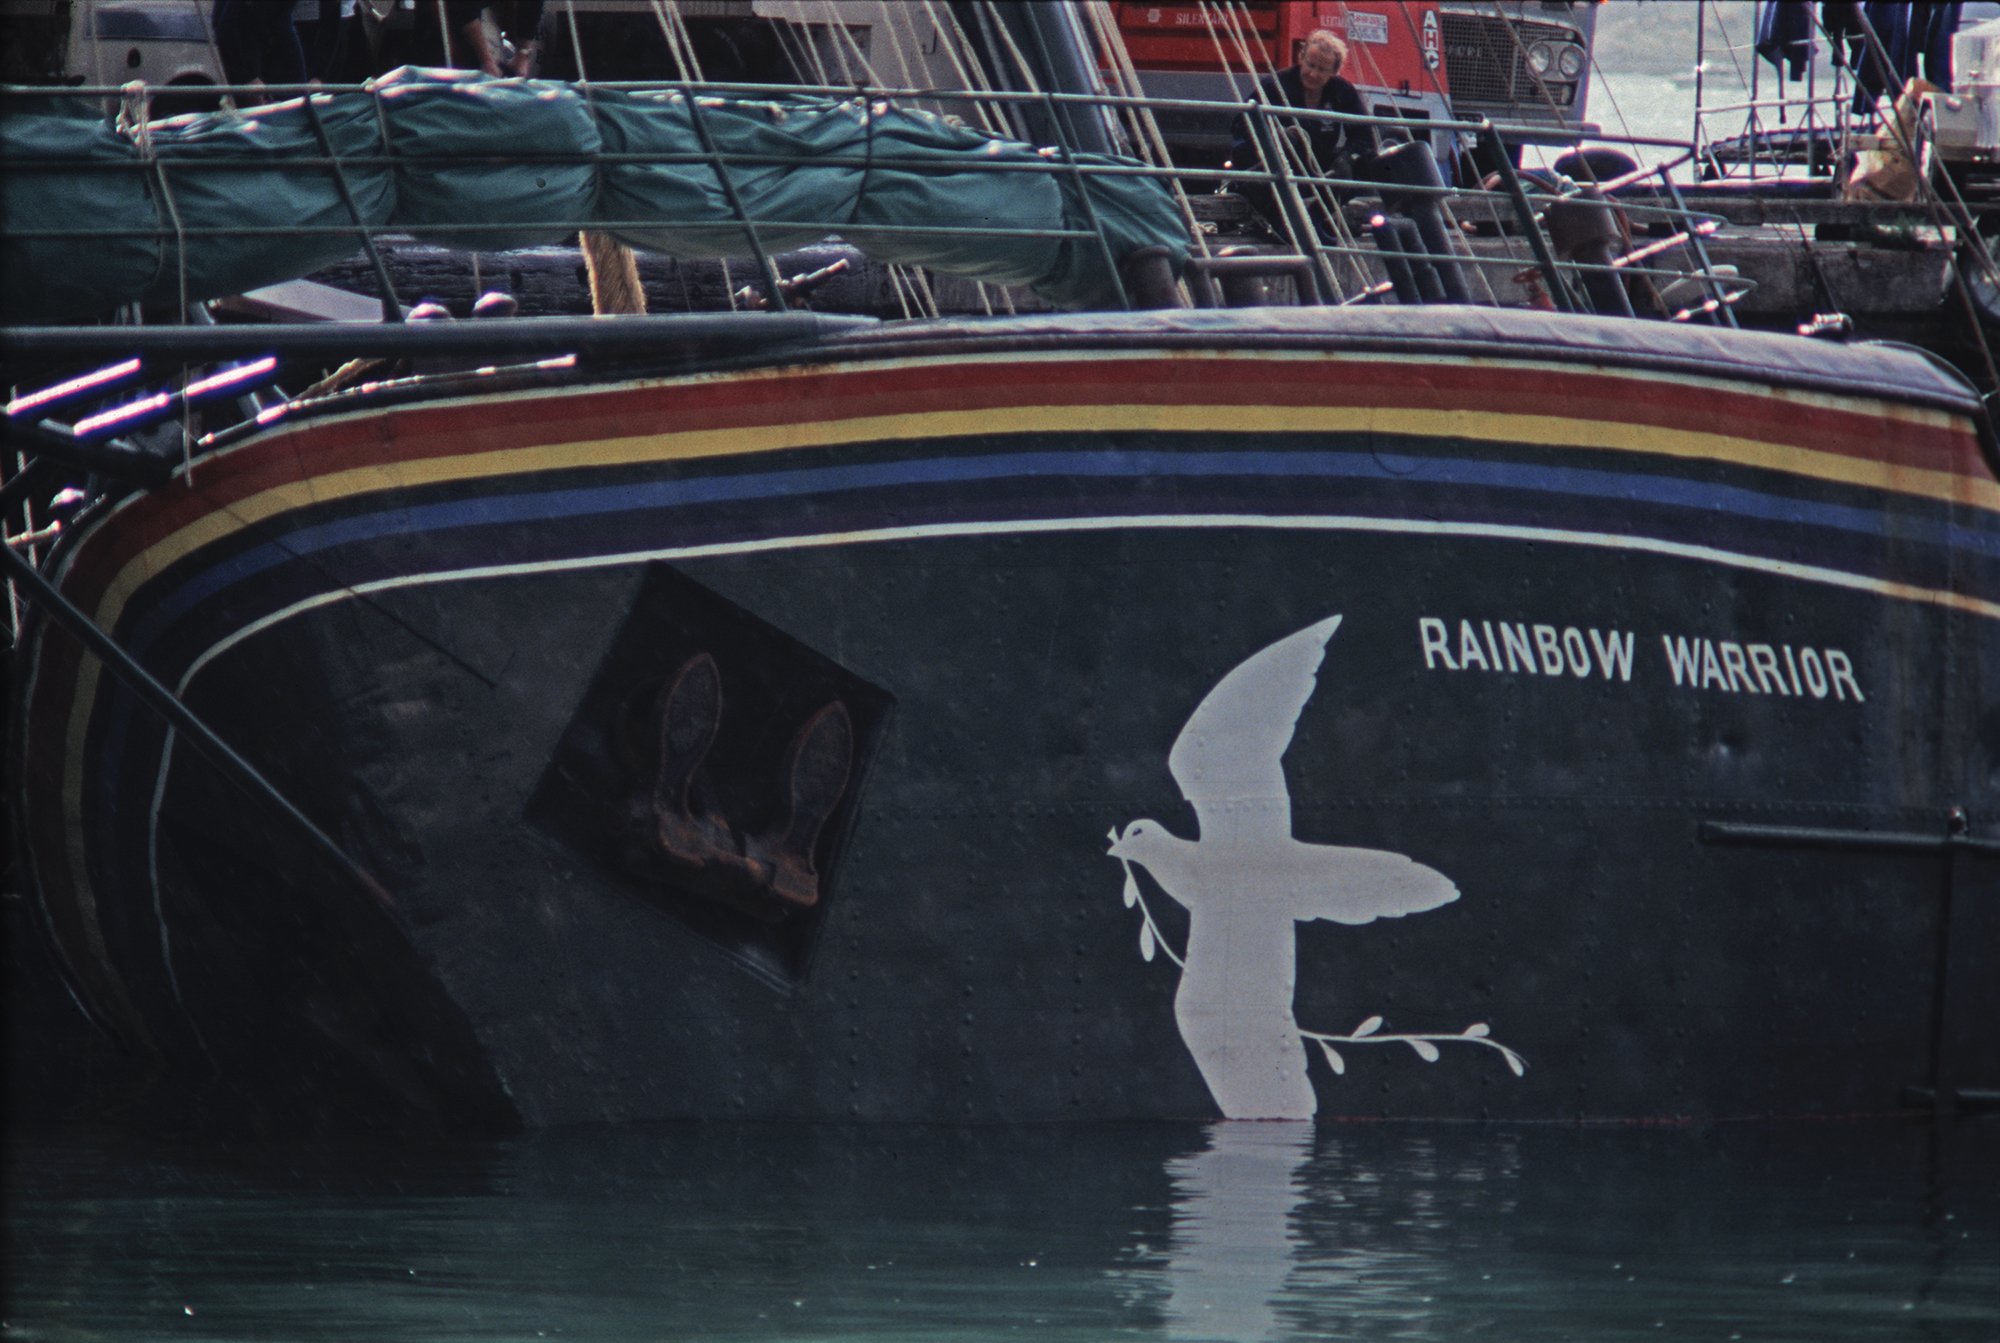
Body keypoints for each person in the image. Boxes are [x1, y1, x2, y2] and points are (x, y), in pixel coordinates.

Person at [1227, 30, 1375, 235]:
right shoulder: (1276, 84)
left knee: (1364, 163)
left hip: (1315, 164)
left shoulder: (1342, 91)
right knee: (1257, 153)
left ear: (1334, 72)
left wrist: (1348, 157)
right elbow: (1241, 124)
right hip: (1276, 163)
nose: (1313, 74)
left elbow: (1365, 134)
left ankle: (1315, 217)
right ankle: (1282, 223)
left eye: (1322, 70)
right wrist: (1274, 137)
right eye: (1310, 65)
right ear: (1301, 59)